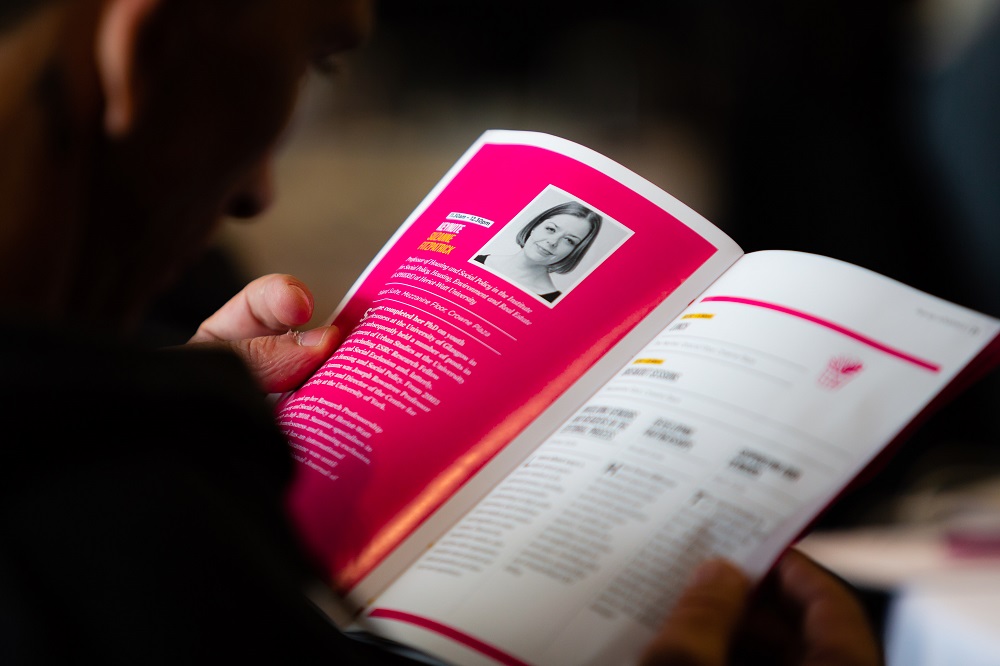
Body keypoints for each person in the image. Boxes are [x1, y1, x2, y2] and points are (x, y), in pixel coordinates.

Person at [0, 1, 882, 664]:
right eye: (318, 62)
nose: (258, 194)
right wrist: (149, 478)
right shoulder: (105, 527)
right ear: (143, 60)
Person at [474, 200, 602, 302]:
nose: (553, 242)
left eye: (569, 240)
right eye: (551, 229)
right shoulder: (477, 259)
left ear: (574, 251)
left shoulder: (553, 301)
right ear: (535, 226)